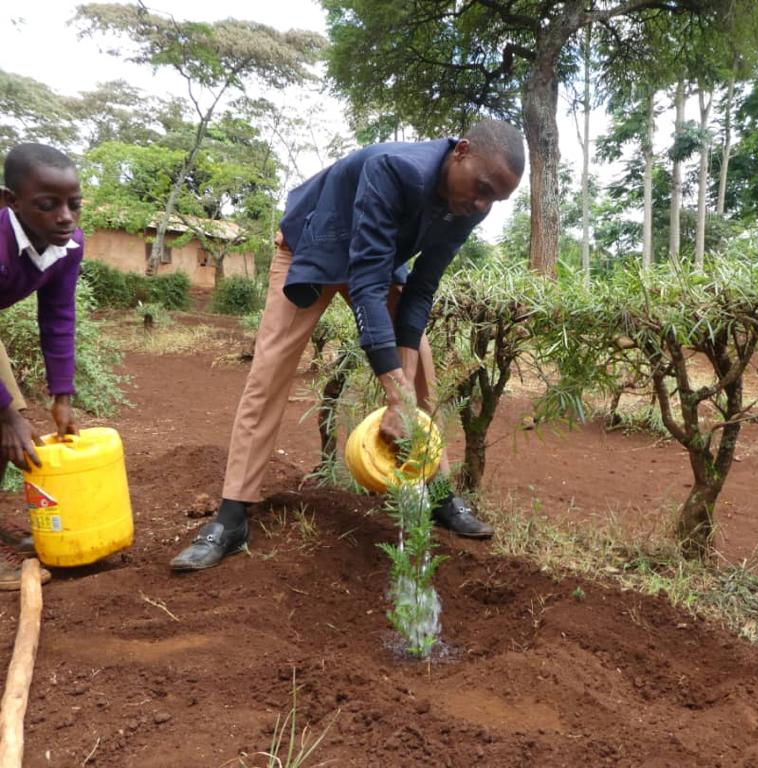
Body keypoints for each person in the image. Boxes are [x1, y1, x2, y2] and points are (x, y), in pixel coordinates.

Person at [170, 120, 524, 571]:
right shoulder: (396, 168)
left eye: (495, 199)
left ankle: (438, 493)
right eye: (481, 187)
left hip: (372, 255)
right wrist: (394, 395)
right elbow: (367, 283)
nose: (482, 203)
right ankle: (233, 515)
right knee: (270, 369)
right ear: (462, 151)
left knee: (420, 368)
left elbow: (420, 290)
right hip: (313, 246)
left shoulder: (470, 208)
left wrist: (406, 394)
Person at [0, 143, 85, 589]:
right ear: (10, 201)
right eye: (48, 205)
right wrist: (5, 413)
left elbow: (57, 315)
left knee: (8, 427)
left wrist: (62, 395)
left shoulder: (68, 244)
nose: (65, 216)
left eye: (74, 203)